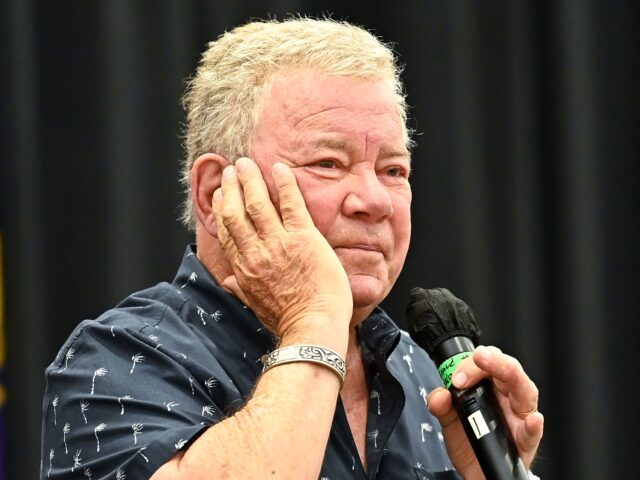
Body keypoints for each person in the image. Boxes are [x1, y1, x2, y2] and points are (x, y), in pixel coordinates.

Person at [40, 17, 543, 479]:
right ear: (216, 192)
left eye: (393, 171)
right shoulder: (113, 362)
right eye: (327, 162)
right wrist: (313, 319)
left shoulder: (423, 373)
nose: (373, 201)